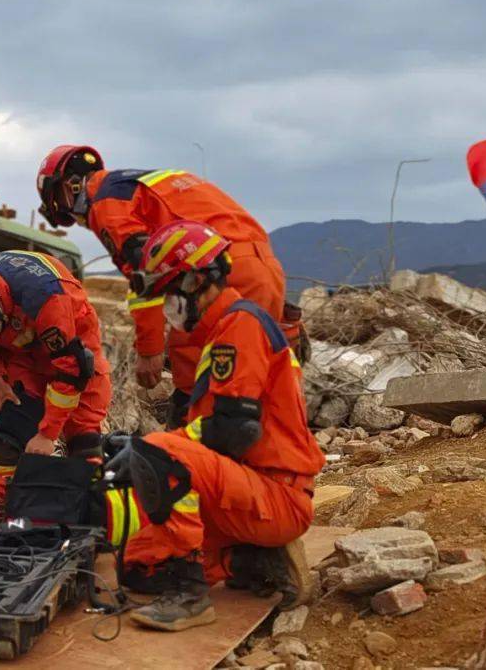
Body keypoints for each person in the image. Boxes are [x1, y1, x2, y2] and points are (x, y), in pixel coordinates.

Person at [103, 220, 324, 632]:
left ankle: (190, 598)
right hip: (243, 491)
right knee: (138, 569)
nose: (168, 307)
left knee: (160, 450)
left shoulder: (241, 327)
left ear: (196, 281)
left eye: (170, 292)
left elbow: (233, 432)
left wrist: (157, 449)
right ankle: (249, 561)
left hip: (275, 493)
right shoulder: (223, 330)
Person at [36, 145, 287, 426]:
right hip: (265, 266)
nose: (75, 221)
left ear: (69, 187)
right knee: (252, 376)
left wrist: (150, 350)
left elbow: (146, 276)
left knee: (192, 374)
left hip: (217, 275)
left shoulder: (107, 203)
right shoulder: (149, 182)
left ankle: (187, 458)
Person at [0, 250, 110, 520]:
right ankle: (7, 512)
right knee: (7, 441)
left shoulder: (46, 298)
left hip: (74, 352)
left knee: (84, 445)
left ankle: (92, 520)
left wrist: (47, 435)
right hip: (22, 354)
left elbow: (72, 371)